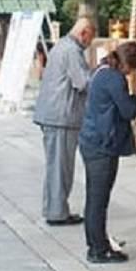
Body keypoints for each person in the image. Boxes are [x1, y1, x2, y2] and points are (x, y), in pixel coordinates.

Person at [79, 41, 136, 264]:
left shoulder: (100, 70)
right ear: (129, 65)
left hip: (91, 139)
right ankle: (98, 249)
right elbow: (127, 110)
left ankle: (98, 244)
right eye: (133, 69)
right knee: (99, 199)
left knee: (94, 197)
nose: (132, 74)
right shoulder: (115, 79)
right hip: (102, 144)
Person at [33, 18, 95, 226]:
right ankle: (57, 212)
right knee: (61, 167)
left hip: (54, 114)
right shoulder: (72, 51)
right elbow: (82, 82)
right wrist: (100, 74)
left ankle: (53, 208)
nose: (90, 42)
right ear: (84, 33)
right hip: (62, 115)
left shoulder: (61, 46)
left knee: (55, 166)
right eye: (90, 37)